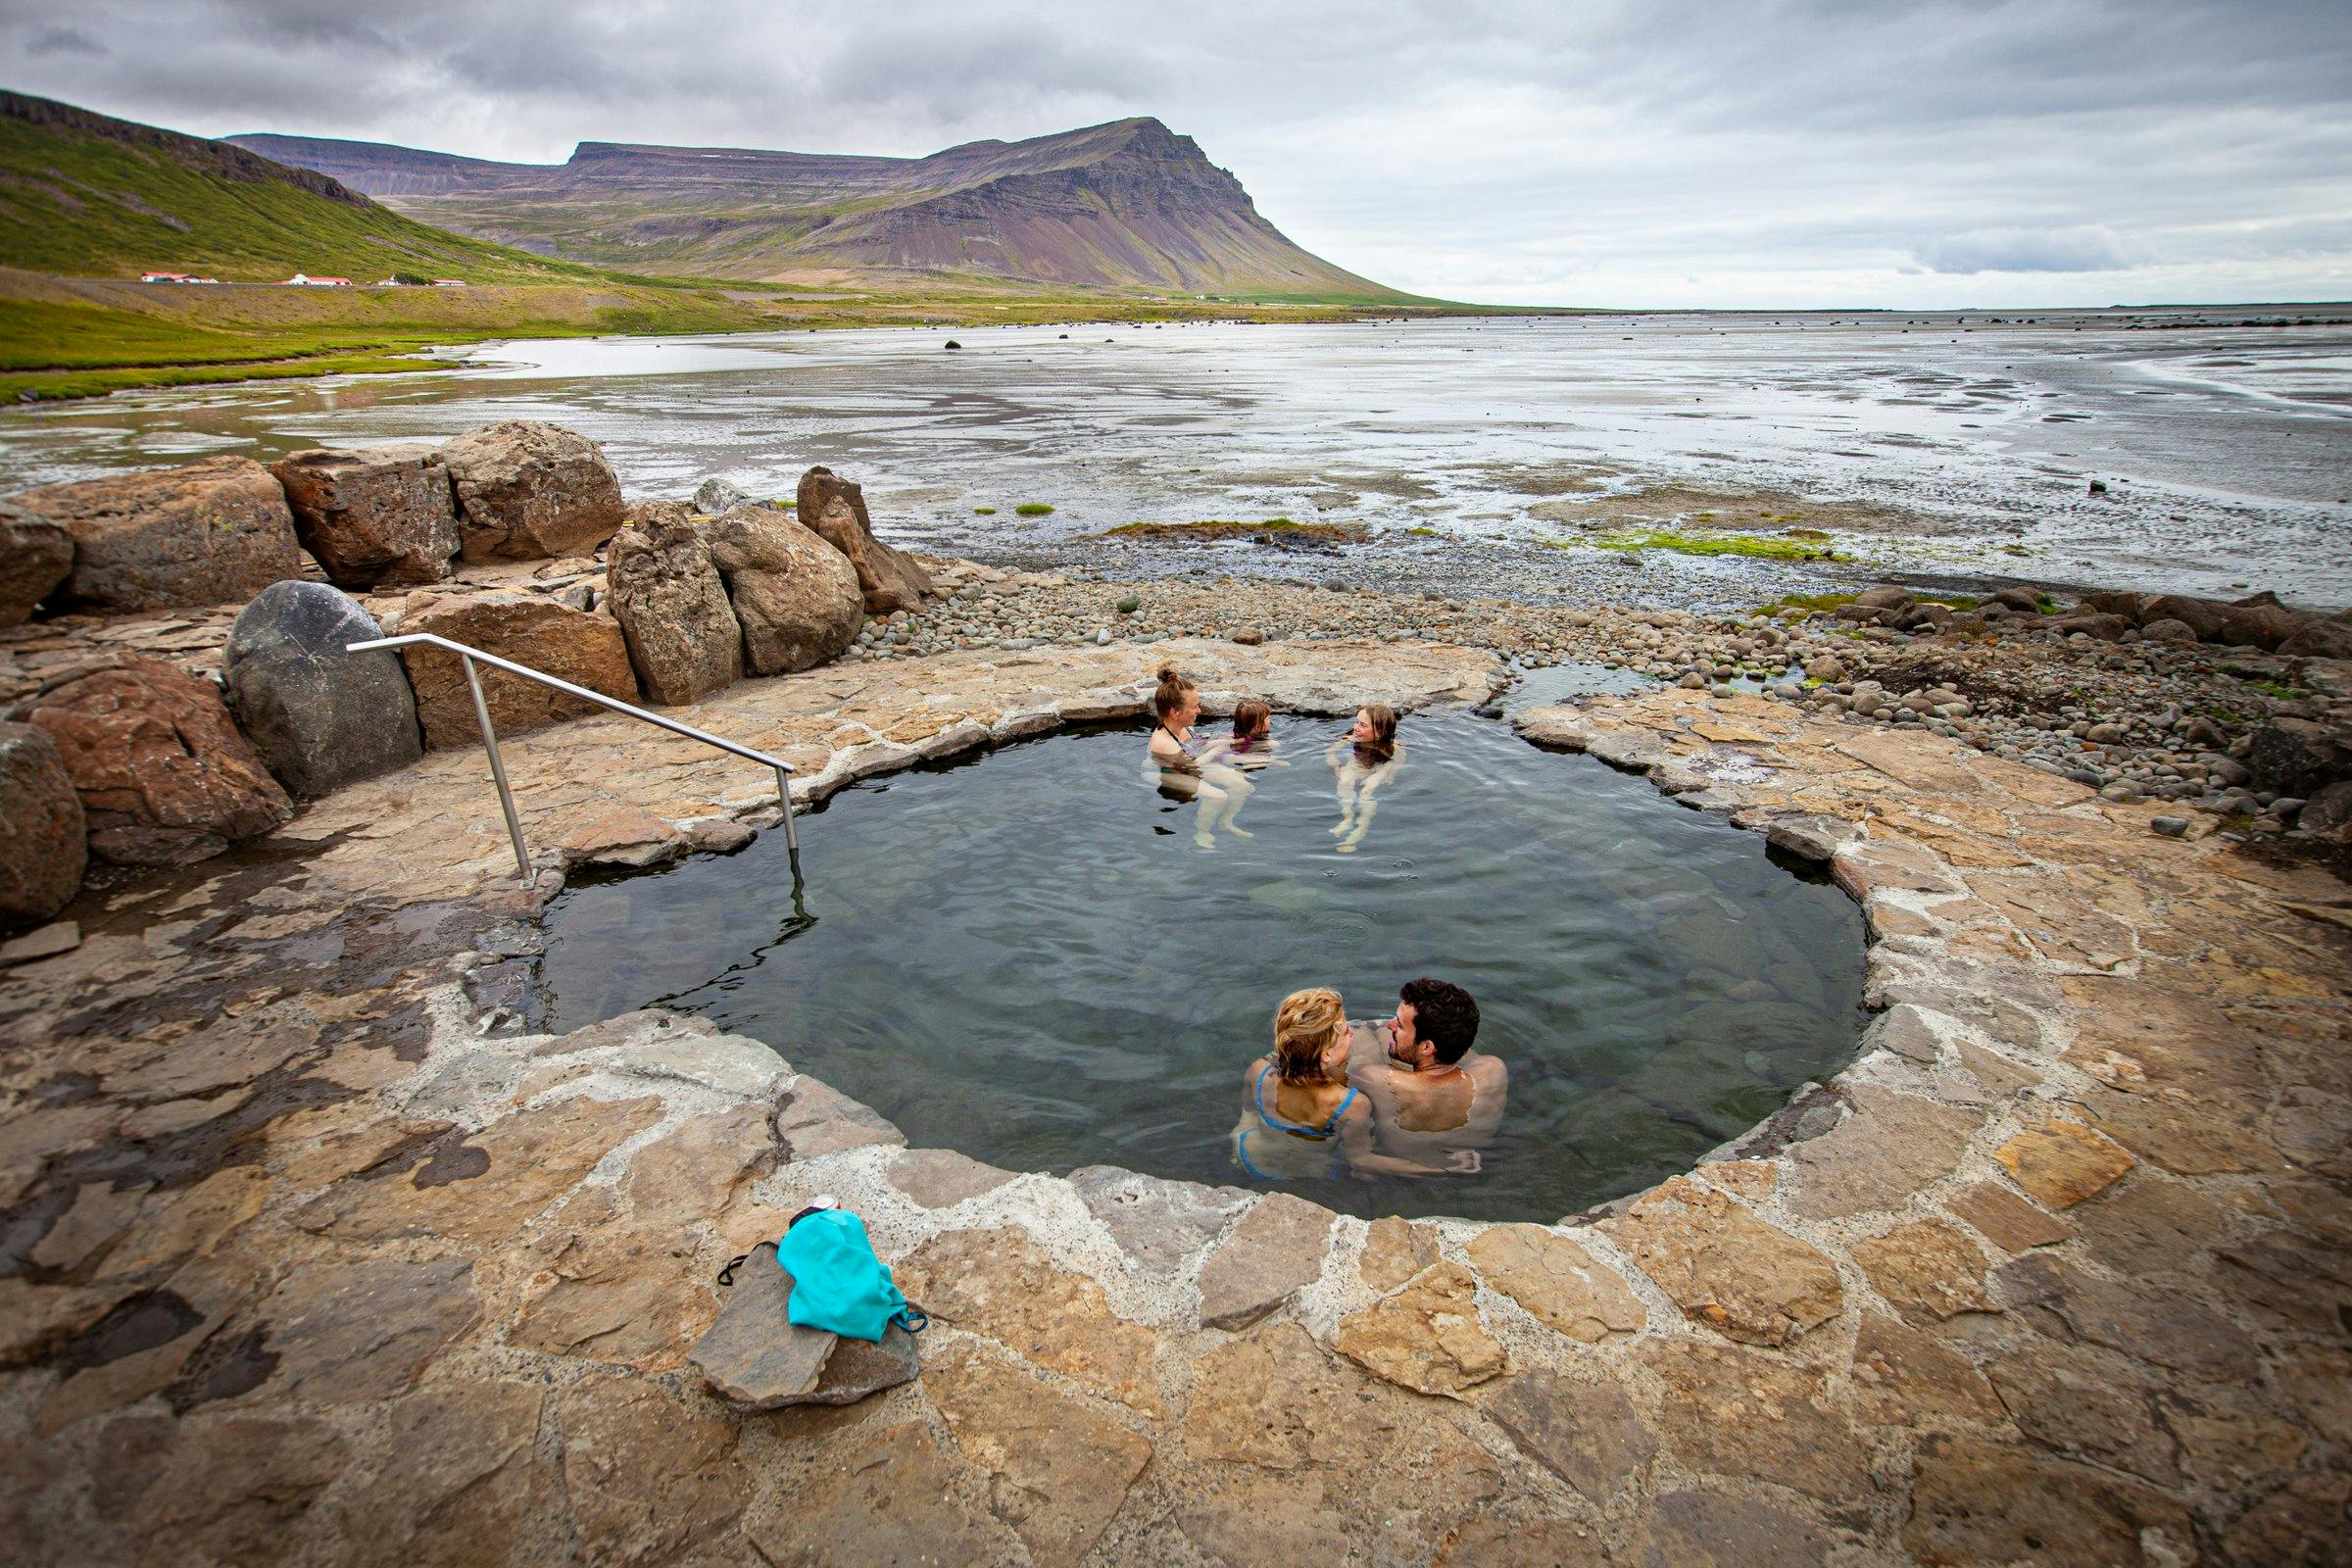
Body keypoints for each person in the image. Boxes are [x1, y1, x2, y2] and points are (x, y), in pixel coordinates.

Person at [1234, 988, 1476, 1181]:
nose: (1352, 1033)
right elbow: (1361, 1161)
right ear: (1326, 1055)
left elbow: (1248, 1116)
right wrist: (1440, 1169)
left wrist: (1236, 1143)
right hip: (1312, 1174)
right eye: (1345, 1031)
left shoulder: (1259, 1070)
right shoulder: (1350, 1103)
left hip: (1251, 1158)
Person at [1347, 977, 1506, 1170]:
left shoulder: (1377, 1079)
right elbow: (1456, 1047)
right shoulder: (1493, 1070)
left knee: (1361, 1034)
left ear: (1427, 1047)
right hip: (1468, 1160)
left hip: (1396, 1168)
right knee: (1393, 1037)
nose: (1391, 1024)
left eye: (1399, 1024)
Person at [1147, 666, 1252, 848]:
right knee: (1218, 797)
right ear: (1175, 712)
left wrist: (1221, 740)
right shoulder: (1163, 742)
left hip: (1189, 764)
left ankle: (1227, 821)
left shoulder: (1184, 726)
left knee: (1243, 785)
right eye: (1194, 706)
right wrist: (1217, 750)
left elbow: (1196, 747)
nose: (1200, 710)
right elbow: (1191, 766)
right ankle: (1201, 833)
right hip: (1170, 774)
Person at [1326, 704, 1403, 854]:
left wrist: (1390, 773)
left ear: (1379, 732)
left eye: (1363, 725)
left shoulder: (1392, 745)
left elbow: (1399, 759)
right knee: (1344, 780)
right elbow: (1330, 752)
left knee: (1366, 792)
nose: (1356, 727)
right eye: (1356, 722)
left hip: (1379, 768)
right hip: (1356, 764)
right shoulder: (1349, 738)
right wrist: (1336, 767)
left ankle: (1360, 829)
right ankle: (1347, 817)